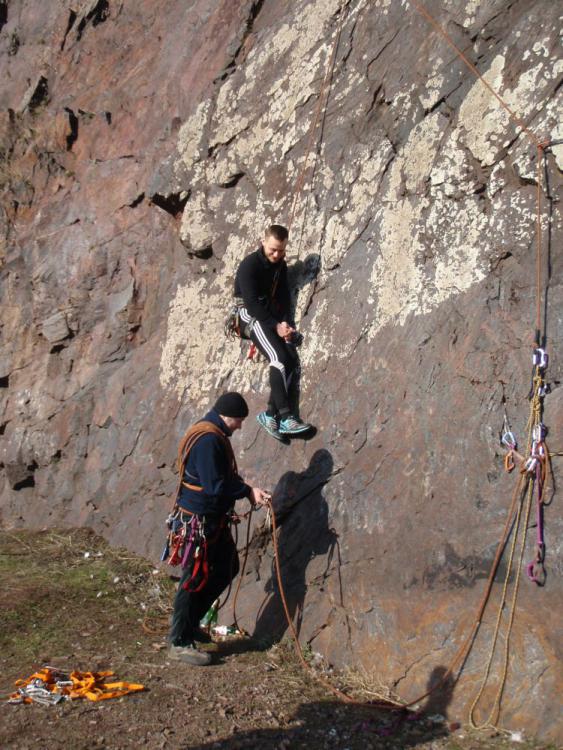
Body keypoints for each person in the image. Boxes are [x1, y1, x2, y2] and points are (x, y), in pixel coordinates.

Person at [168, 392, 270, 665]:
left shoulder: (209, 432)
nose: (240, 425)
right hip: (199, 520)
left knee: (227, 567)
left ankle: (189, 625)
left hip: (210, 519)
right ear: (227, 416)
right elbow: (215, 486)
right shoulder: (209, 440)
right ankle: (179, 641)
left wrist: (247, 491)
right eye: (239, 420)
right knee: (192, 579)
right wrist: (247, 491)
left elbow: (219, 479)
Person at [234, 224, 312, 440]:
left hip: (269, 314)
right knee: (278, 357)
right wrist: (276, 326)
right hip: (249, 315)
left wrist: (286, 324)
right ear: (263, 242)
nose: (277, 254)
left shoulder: (280, 266)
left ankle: (270, 414)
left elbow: (284, 298)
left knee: (288, 358)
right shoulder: (249, 266)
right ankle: (286, 418)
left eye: (281, 250)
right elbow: (250, 304)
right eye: (273, 249)